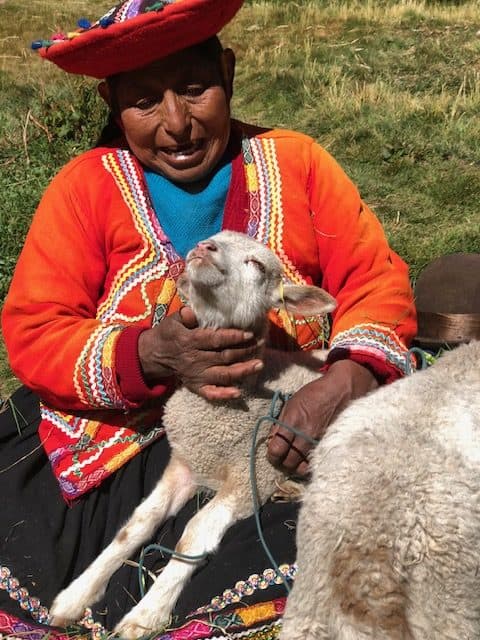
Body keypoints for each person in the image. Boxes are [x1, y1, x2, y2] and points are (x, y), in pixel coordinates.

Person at [0, 0, 417, 638]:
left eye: (195, 89)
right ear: (113, 103)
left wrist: (349, 378)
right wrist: (144, 355)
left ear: (227, 72)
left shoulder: (299, 164)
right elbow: (35, 327)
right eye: (143, 102)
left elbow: (373, 278)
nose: (177, 124)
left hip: (273, 431)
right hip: (117, 446)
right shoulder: (83, 191)